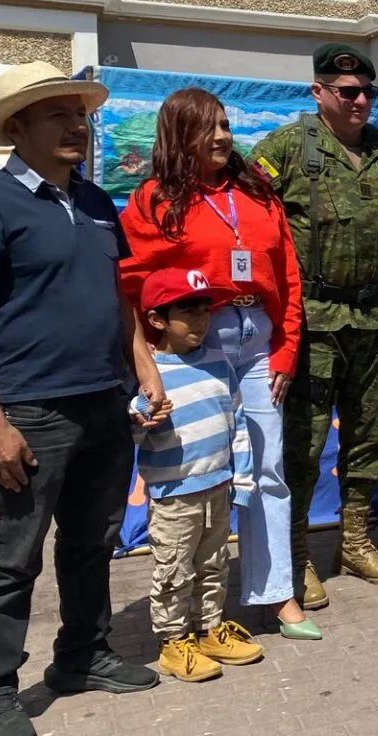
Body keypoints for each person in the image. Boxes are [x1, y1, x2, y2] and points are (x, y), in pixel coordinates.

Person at [0, 62, 167, 736]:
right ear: (17, 127)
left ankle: (82, 656)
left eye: (80, 114)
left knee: (93, 542)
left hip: (104, 400)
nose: (76, 126)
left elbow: (117, 298)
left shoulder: (95, 202)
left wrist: (144, 367)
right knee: (14, 556)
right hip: (32, 412)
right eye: (57, 115)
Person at [119, 87, 315, 639]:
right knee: (199, 471)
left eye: (226, 125)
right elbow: (133, 287)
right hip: (196, 344)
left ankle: (276, 593)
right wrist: (149, 361)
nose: (223, 136)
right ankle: (193, 609)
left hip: (260, 342)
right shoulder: (153, 200)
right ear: (179, 135)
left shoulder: (255, 191)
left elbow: (288, 272)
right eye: (208, 127)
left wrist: (287, 347)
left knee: (267, 468)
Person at [250, 43, 378, 609]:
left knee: (374, 432)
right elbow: (250, 223)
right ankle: (295, 555)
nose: (360, 100)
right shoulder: (286, 148)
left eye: (368, 91)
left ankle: (355, 541)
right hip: (312, 320)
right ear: (319, 92)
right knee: (303, 442)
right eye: (347, 92)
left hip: (373, 316)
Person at [132, 268, 266, 682]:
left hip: (218, 487)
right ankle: (173, 642)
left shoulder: (218, 362)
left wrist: (241, 479)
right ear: (157, 319)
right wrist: (142, 417)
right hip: (174, 495)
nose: (201, 320)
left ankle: (210, 630)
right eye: (187, 311)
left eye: (205, 310)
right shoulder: (149, 375)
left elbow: (238, 422)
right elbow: (133, 433)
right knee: (174, 570)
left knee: (214, 564)